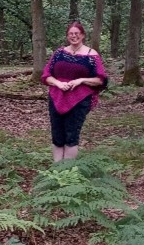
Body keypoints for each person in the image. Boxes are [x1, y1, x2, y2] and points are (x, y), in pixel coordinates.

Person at [41, 21, 108, 162]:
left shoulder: (92, 55)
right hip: (56, 97)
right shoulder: (59, 54)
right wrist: (58, 83)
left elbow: (100, 80)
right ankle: (57, 169)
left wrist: (81, 80)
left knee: (71, 135)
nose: (74, 36)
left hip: (79, 100)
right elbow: (46, 75)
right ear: (67, 36)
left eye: (77, 33)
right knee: (57, 134)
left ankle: (68, 172)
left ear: (82, 35)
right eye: (71, 34)